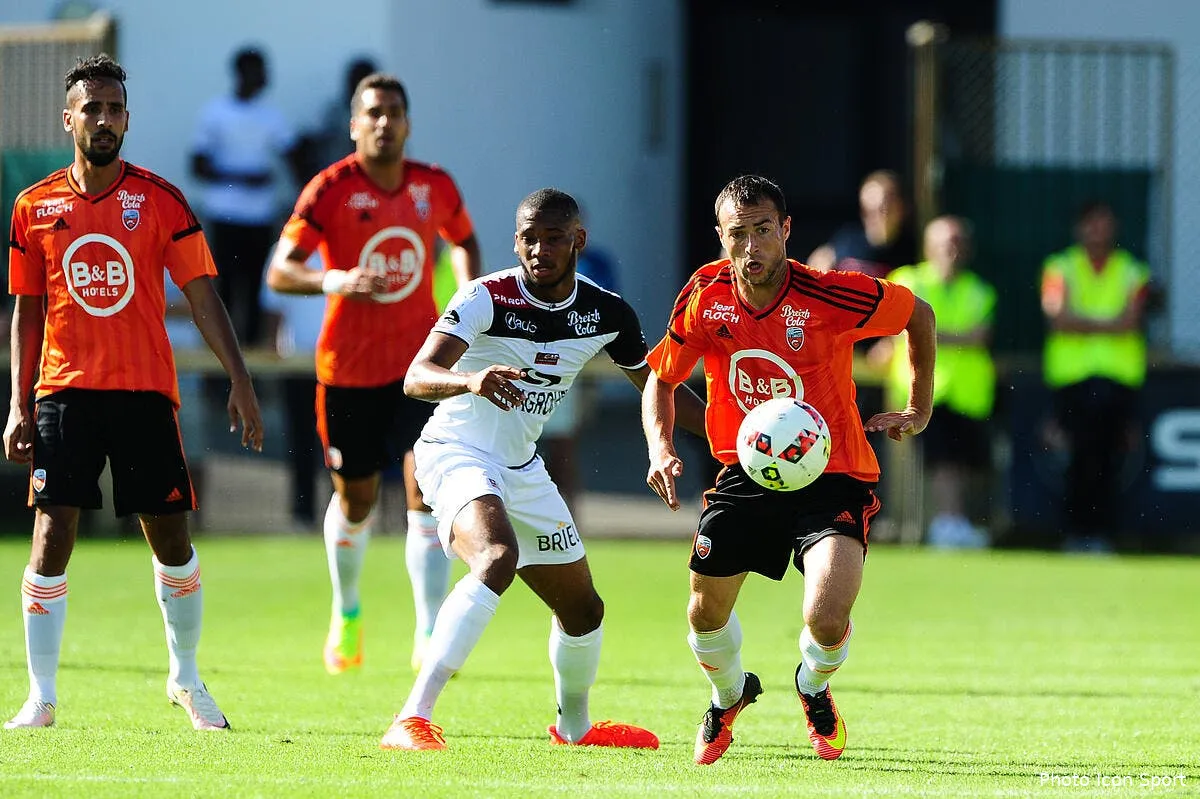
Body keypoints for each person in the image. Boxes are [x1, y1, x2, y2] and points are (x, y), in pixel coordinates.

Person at [379, 188, 706, 752]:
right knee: (496, 556)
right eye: (528, 238)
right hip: (455, 450)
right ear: (515, 241)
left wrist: (740, 440)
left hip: (521, 468)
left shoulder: (607, 313)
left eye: (553, 238)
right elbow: (417, 375)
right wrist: (470, 380)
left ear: (578, 240)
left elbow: (660, 387)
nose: (539, 249)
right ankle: (412, 717)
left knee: (583, 608)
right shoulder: (486, 298)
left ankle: (575, 728)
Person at [3, 54, 265, 731]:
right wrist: (17, 404)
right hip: (64, 392)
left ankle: (186, 678)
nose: (104, 119)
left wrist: (239, 378)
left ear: (127, 118)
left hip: (146, 392)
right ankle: (42, 695)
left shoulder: (160, 201)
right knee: (52, 531)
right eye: (91, 108)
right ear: (69, 119)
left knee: (171, 540)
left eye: (114, 108)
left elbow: (202, 295)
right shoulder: (34, 205)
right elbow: (27, 312)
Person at [641, 175, 935, 764]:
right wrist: (660, 447)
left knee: (826, 619)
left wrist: (919, 408)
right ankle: (729, 696)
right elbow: (662, 377)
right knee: (703, 613)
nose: (753, 247)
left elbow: (918, 315)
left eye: (765, 230)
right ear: (721, 238)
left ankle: (814, 685)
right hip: (745, 476)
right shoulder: (705, 295)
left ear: (787, 231)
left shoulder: (828, 295)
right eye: (738, 234)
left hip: (835, 474)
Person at [265, 72, 483, 676]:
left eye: (394, 112)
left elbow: (464, 240)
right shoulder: (329, 189)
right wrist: (334, 280)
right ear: (354, 124)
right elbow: (282, 272)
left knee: (426, 493)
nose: (384, 122)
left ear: (408, 122)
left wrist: (466, 302)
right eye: (373, 113)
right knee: (356, 502)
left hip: (421, 369)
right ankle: (348, 610)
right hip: (349, 372)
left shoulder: (433, 184)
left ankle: (428, 632)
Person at [875, 216, 995, 548]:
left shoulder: (980, 291)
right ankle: (947, 524)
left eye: (957, 243)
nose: (951, 250)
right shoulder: (907, 281)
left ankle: (953, 522)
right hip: (922, 390)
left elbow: (979, 336)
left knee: (962, 461)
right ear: (929, 247)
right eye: (945, 243)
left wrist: (925, 330)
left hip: (968, 393)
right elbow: (895, 328)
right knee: (942, 460)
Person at [1040, 201, 1150, 553]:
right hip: (1073, 381)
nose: (1098, 232)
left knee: (1109, 457)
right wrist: (1108, 324)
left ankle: (1101, 533)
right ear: (1080, 228)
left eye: (1105, 224)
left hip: (1117, 381)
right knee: (1077, 455)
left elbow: (1131, 321)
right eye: (1092, 224)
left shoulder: (1132, 270)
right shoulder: (1061, 267)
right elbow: (1058, 318)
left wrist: (1083, 322)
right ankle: (1077, 532)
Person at [191, 46, 302, 347]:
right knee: (223, 288)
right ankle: (218, 364)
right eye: (258, 70)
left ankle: (249, 364)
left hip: (259, 216)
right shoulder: (216, 112)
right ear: (242, 72)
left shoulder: (272, 117)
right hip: (223, 215)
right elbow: (198, 166)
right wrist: (243, 178)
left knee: (255, 290)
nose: (264, 76)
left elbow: (293, 158)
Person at [807, 169, 917, 278]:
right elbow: (821, 260)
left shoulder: (913, 252)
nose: (873, 218)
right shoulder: (846, 241)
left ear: (901, 208)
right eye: (866, 211)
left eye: (883, 209)